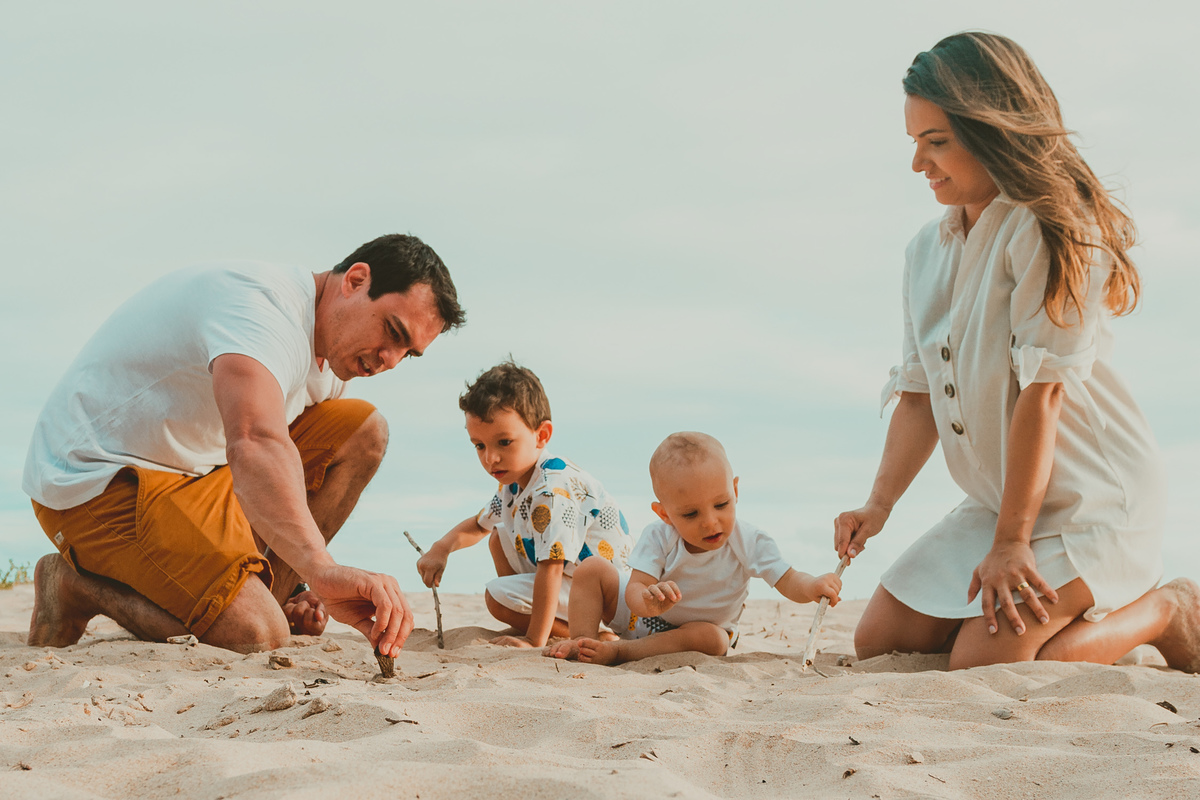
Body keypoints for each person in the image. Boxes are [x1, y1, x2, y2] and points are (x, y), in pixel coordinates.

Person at [835, 32, 1200, 671]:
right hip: (999, 504)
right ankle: (1046, 623)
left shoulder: (1051, 225)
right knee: (880, 640)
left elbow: (1045, 390)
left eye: (936, 141)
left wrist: (1012, 544)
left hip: (1092, 500)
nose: (919, 163)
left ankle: (1163, 610)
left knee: (985, 666)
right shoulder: (924, 250)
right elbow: (920, 393)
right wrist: (878, 504)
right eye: (914, 143)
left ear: (993, 128)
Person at [23, 233, 464, 658]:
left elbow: (283, 457)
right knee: (256, 634)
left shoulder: (334, 358)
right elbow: (255, 441)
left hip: (197, 471)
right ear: (355, 281)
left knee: (363, 430)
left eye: (407, 352)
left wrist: (300, 586)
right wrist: (322, 568)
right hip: (96, 480)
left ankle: (272, 593)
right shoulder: (261, 312)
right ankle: (74, 585)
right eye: (392, 330)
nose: (389, 359)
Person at [546, 432, 841, 665]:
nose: (710, 522)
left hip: (692, 636)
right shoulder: (659, 536)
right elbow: (635, 590)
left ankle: (623, 652)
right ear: (664, 514)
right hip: (641, 618)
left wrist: (813, 585)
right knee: (592, 569)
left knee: (714, 639)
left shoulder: (749, 540)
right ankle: (583, 641)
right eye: (690, 514)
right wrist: (649, 602)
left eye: (722, 504)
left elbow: (788, 579)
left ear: (735, 491)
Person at [416, 361, 634, 648]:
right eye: (479, 445)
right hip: (577, 583)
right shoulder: (514, 484)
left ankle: (582, 632)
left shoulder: (552, 489)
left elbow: (552, 566)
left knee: (496, 598)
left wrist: (534, 641)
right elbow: (479, 525)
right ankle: (546, 621)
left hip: (610, 598)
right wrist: (441, 548)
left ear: (541, 435)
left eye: (504, 442)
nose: (490, 458)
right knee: (499, 536)